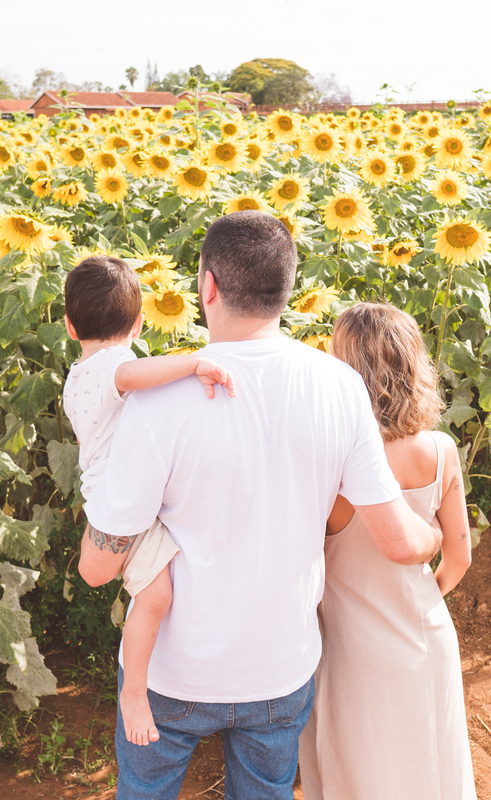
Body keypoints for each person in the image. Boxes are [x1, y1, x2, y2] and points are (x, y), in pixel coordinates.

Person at [78, 211, 443, 800]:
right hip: (280, 668)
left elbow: (98, 568)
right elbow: (401, 542)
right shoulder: (339, 387)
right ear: (287, 289)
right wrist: (436, 537)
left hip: (175, 673)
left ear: (207, 287)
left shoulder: (162, 399)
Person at [298, 302, 478, 800]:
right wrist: (417, 601)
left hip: (351, 652)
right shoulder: (441, 449)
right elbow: (459, 558)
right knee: (432, 774)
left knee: (359, 777)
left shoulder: (331, 459)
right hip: (428, 638)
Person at [60, 254, 237, 747]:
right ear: (139, 324)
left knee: (153, 592)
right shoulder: (115, 367)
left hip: (108, 497)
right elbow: (133, 375)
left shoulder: (78, 375)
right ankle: (134, 691)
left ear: (71, 328)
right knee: (156, 597)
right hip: (121, 505)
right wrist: (196, 362)